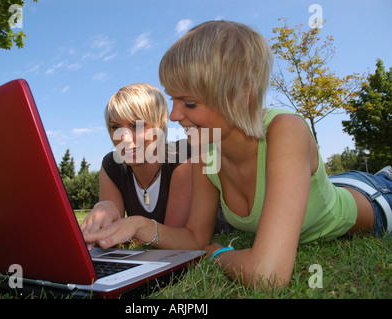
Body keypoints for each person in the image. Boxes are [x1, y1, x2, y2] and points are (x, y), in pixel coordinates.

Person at [83, 21, 392, 289]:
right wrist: (136, 224)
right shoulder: (206, 152)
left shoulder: (285, 131)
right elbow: (194, 238)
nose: (174, 115)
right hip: (332, 186)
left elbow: (266, 276)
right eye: (173, 99)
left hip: (376, 199)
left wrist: (218, 252)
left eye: (188, 103)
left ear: (240, 95)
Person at [80, 83, 193, 249]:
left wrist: (136, 227)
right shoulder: (112, 166)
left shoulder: (183, 156)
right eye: (115, 127)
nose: (123, 138)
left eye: (137, 126)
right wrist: (105, 210)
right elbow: (110, 242)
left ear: (159, 125)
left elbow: (174, 244)